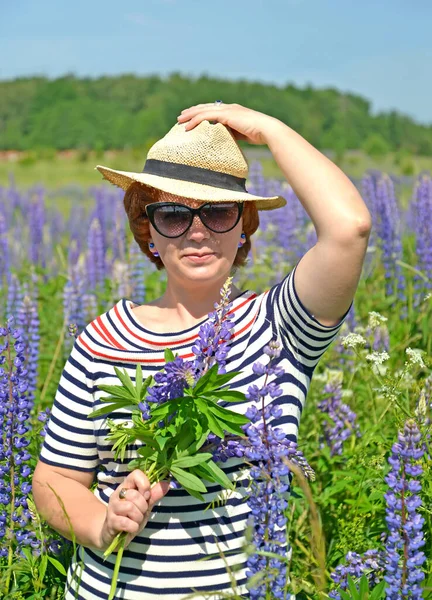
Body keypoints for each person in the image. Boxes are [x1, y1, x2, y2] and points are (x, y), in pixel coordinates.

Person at [32, 102, 372, 600]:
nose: (196, 230)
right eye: (172, 214)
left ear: (243, 227)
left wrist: (269, 129)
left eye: (217, 211)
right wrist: (102, 524)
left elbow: (350, 229)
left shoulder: (277, 328)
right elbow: (55, 479)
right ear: (148, 233)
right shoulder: (101, 340)